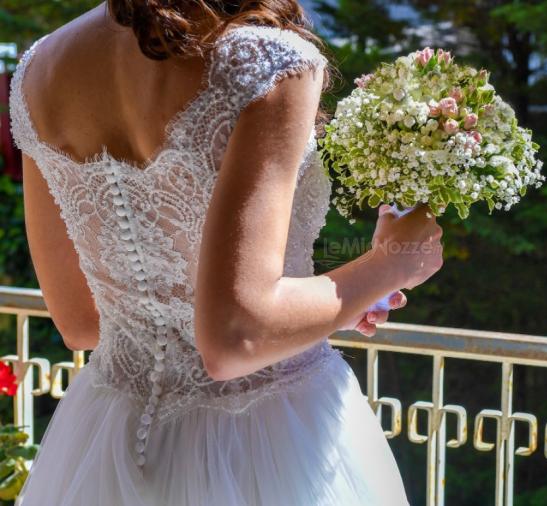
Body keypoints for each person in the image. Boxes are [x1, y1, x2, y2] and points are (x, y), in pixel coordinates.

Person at [9, 1, 443, 504]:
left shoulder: (40, 67)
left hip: (107, 435)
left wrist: (313, 308)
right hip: (266, 441)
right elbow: (234, 338)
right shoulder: (270, 62)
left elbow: (80, 322)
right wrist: (391, 263)